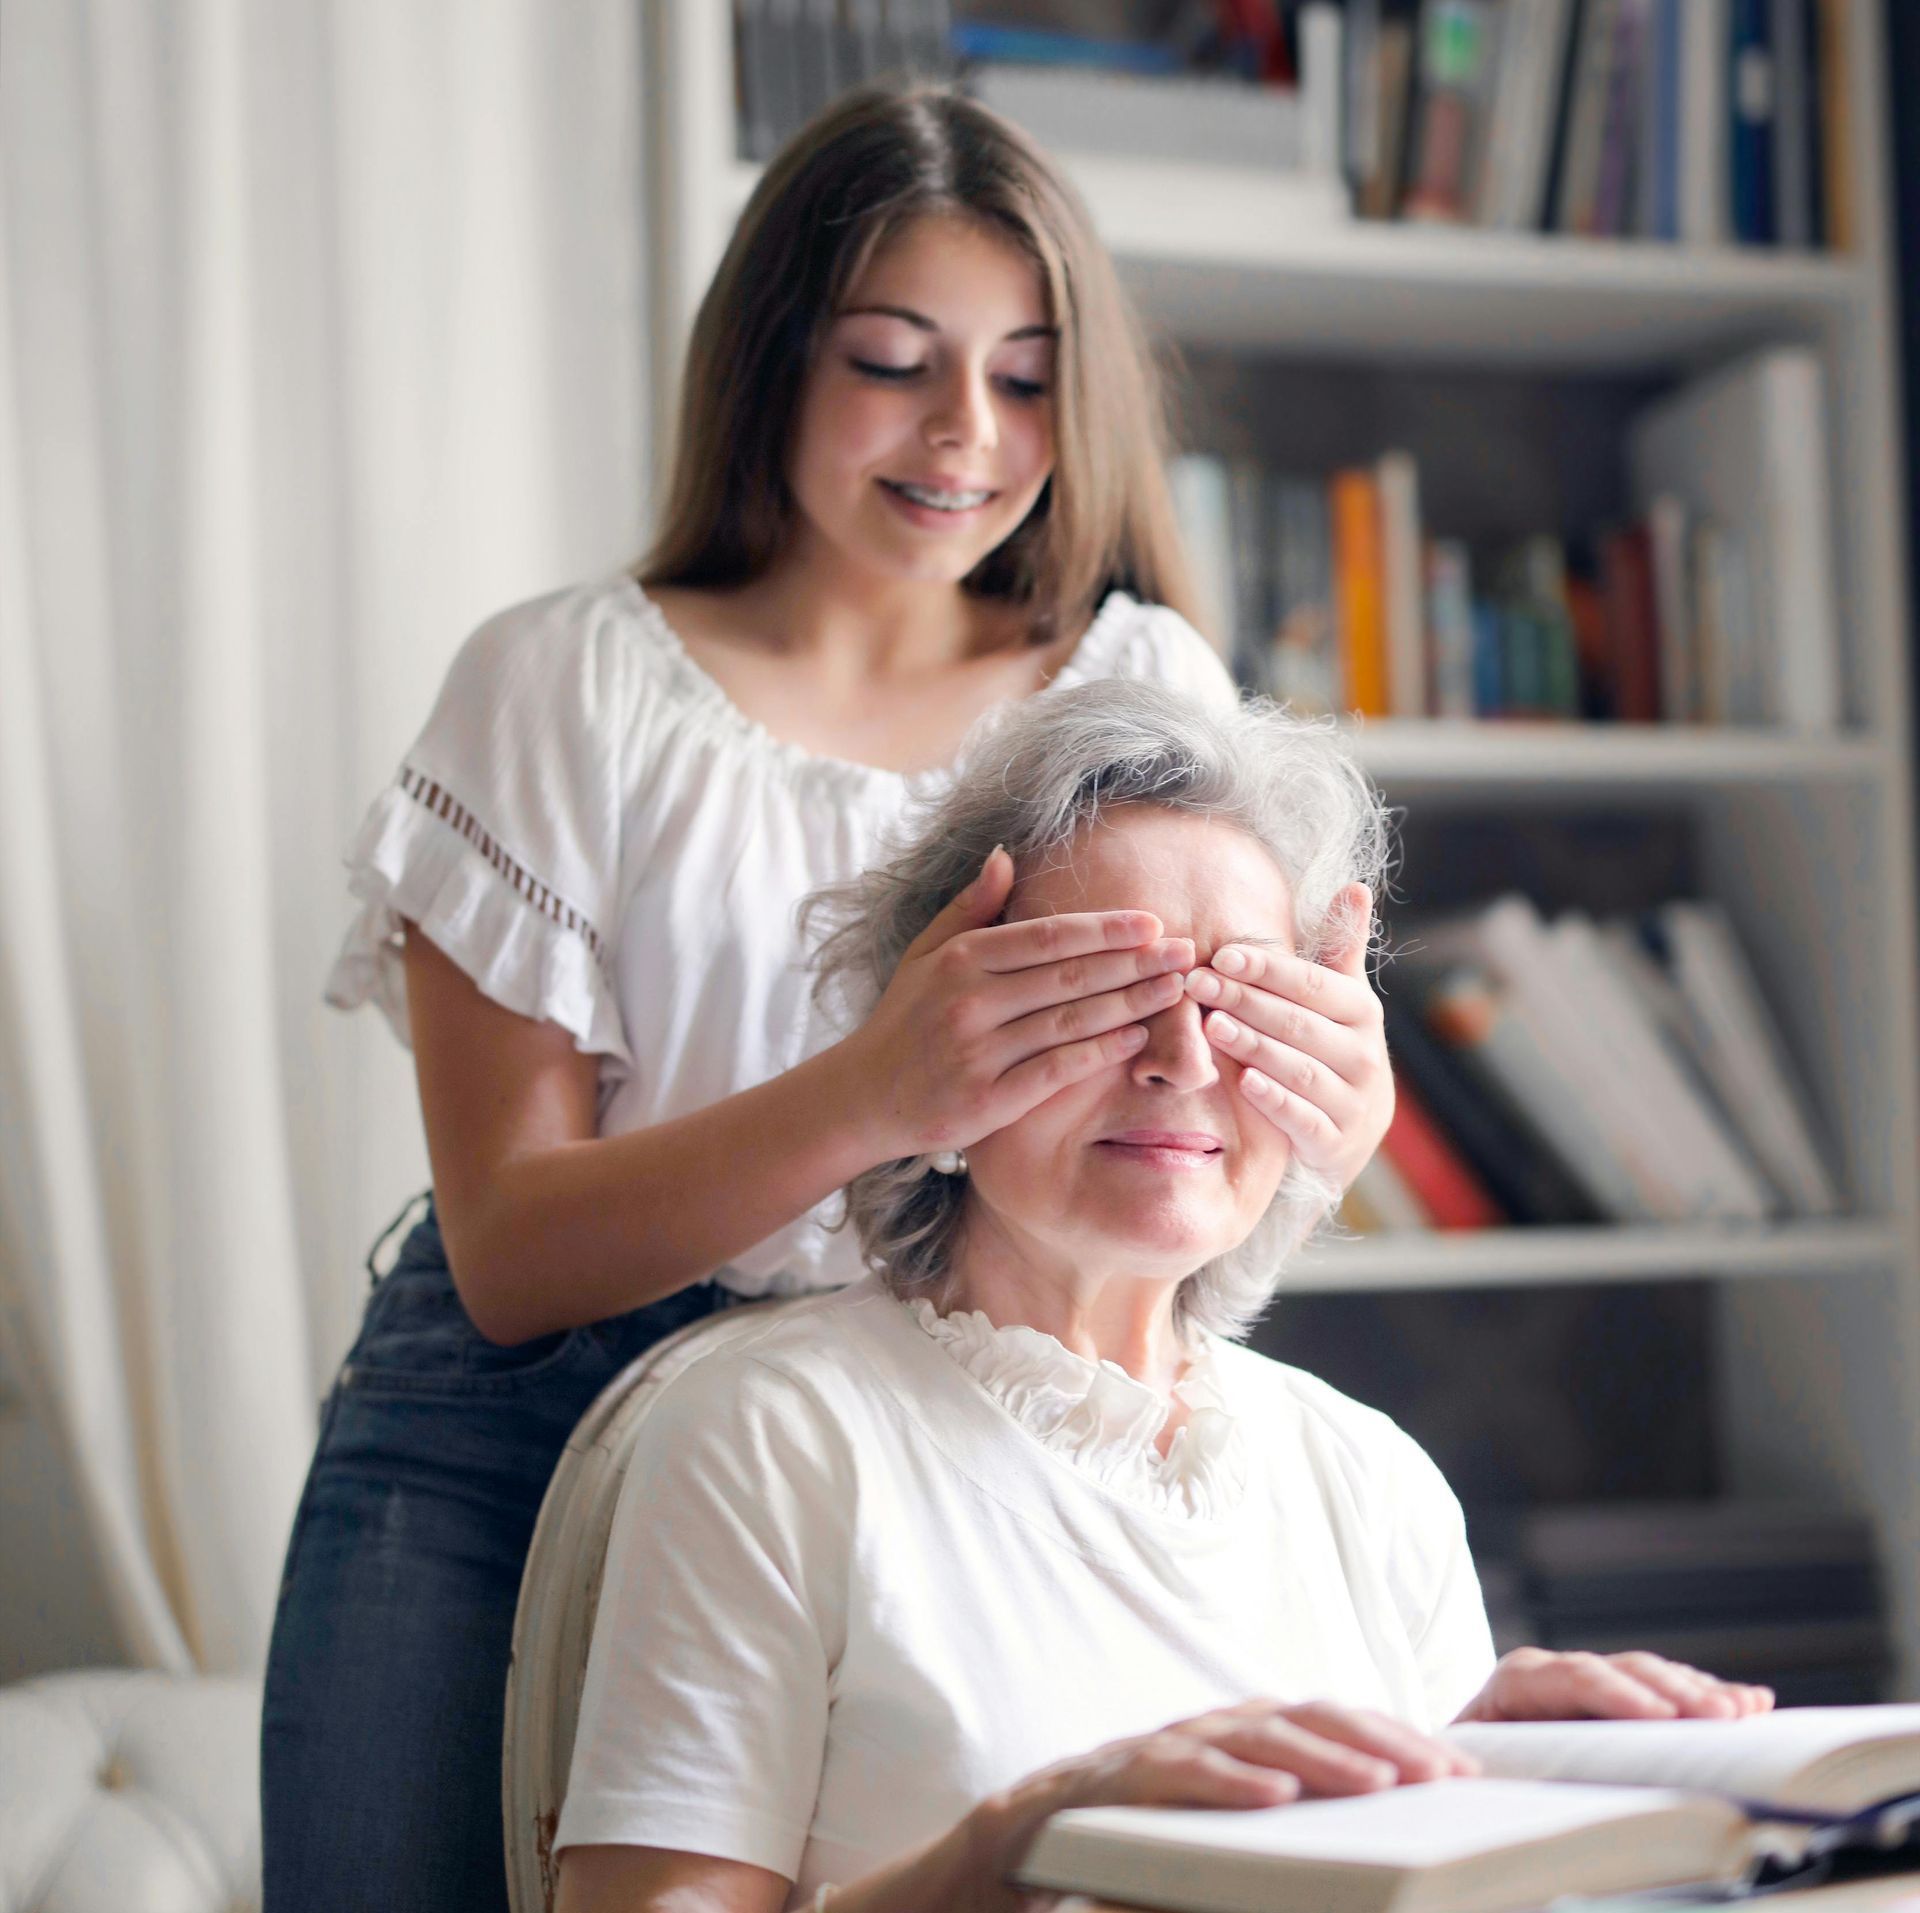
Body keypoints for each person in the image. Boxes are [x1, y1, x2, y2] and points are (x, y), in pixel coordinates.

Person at [258, 84, 1404, 1913]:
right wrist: (880, 1091)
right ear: (774, 359)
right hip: (517, 1420)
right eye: (895, 359)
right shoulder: (561, 686)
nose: (968, 433)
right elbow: (510, 1251)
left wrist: (1326, 1119)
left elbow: (1179, 1162)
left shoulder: (1139, 679)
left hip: (937, 1414)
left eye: (1029, 378)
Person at [551, 679, 1775, 1913]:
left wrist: (1501, 1769)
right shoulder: (771, 1433)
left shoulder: (1370, 1475)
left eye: (1240, 1003)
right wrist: (1025, 1843)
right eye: (1102, 992)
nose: (1181, 1059)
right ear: (940, 1040)